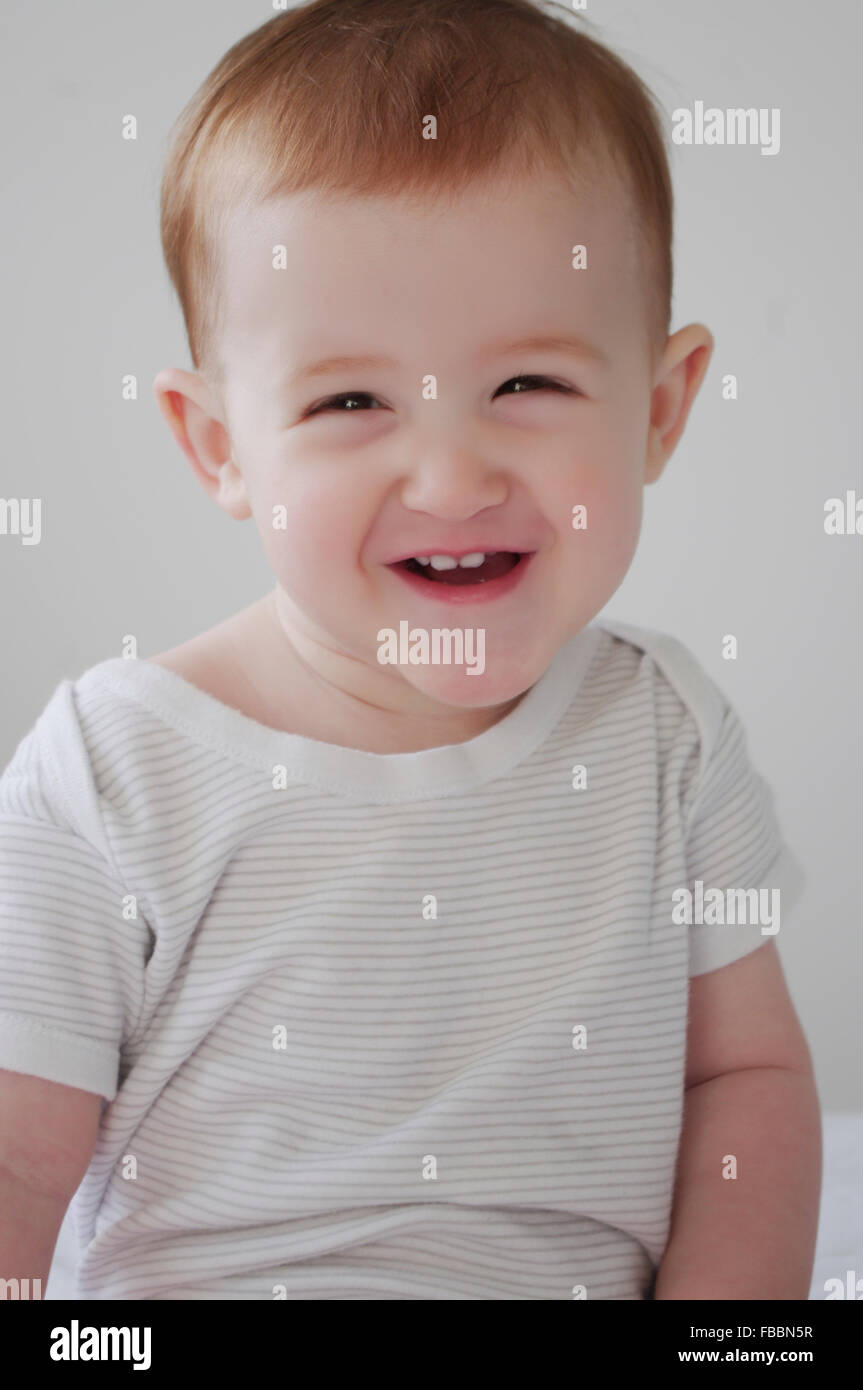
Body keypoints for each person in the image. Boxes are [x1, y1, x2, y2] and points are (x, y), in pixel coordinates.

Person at [0, 0, 820, 1299]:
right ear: (220, 446)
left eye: (529, 386)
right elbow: (17, 1169)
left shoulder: (665, 735)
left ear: (658, 410)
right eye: (349, 401)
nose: (448, 475)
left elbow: (748, 1083)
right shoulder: (111, 771)